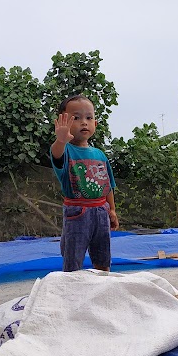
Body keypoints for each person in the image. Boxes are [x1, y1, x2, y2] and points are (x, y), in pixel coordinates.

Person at [50, 95, 119, 272]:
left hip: (101, 212)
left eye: (89, 118)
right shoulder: (66, 150)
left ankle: (102, 288)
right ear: (63, 122)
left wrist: (111, 210)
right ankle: (71, 293)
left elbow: (108, 185)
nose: (84, 122)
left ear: (95, 124)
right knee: (73, 260)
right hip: (77, 214)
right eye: (76, 118)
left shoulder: (100, 155)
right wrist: (60, 140)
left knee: (103, 259)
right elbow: (56, 155)